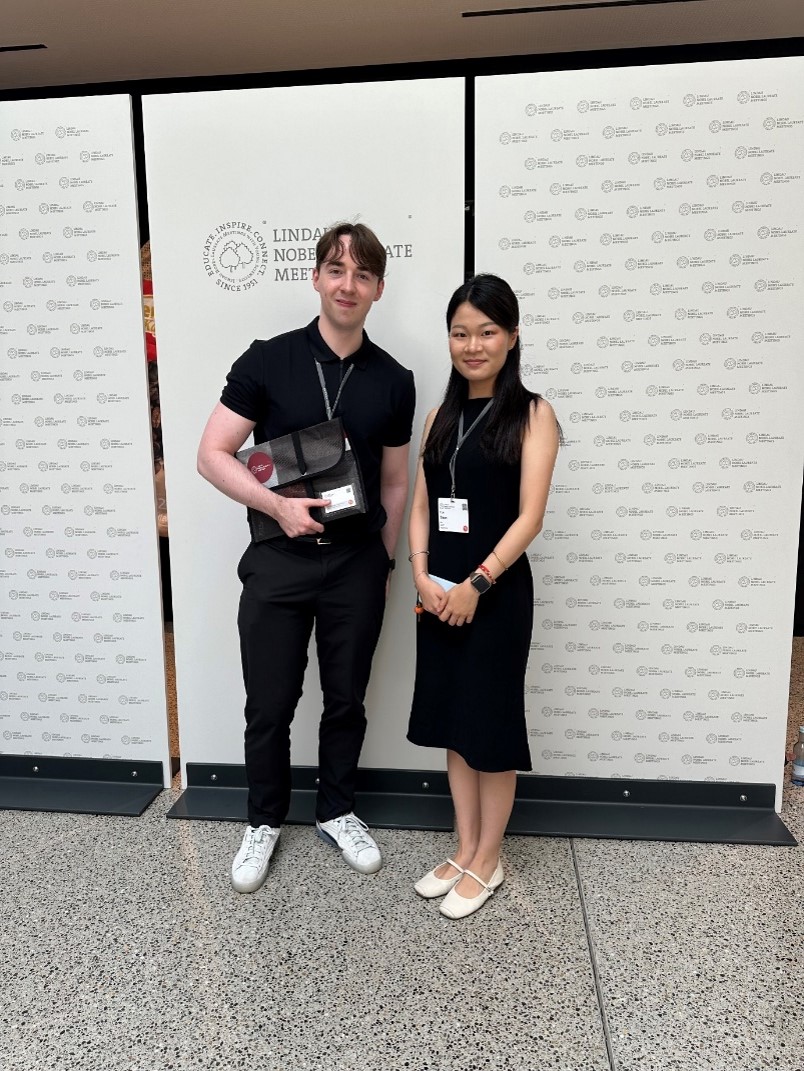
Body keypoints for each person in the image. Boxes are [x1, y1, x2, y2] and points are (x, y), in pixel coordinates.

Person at [197, 222, 415, 893]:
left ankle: (336, 809)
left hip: (355, 564)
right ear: (316, 277)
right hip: (279, 561)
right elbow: (212, 453)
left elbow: (395, 482)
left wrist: (382, 562)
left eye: (363, 274)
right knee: (269, 702)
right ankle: (263, 820)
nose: (348, 284)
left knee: (346, 699)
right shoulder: (268, 359)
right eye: (336, 269)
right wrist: (277, 507)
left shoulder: (394, 380)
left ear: (378, 287)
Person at [407, 274, 558, 920]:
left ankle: (489, 857)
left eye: (487, 332)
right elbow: (421, 506)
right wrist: (420, 573)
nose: (473, 345)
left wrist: (476, 583)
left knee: (490, 725)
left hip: (493, 596)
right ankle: (465, 845)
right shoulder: (440, 416)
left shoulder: (533, 414)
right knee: (452, 721)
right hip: (436, 592)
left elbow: (530, 518)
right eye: (461, 332)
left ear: (512, 337)